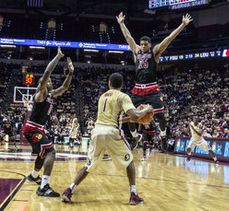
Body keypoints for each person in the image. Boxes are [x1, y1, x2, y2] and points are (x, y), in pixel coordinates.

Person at [61, 73, 153, 205]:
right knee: (130, 161)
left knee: (88, 165)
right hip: (111, 131)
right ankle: (133, 195)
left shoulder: (102, 96)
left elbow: (119, 118)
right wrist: (146, 110)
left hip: (97, 131)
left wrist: (137, 114)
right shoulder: (122, 96)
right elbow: (134, 116)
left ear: (109, 83)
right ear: (121, 85)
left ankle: (69, 190)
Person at [116, 12, 193, 150]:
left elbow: (169, 39)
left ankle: (163, 136)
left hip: (152, 88)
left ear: (150, 45)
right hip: (138, 88)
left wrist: (182, 25)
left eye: (145, 44)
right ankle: (135, 137)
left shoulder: (155, 52)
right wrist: (121, 23)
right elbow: (128, 37)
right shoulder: (136, 52)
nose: (143, 46)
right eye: (141, 44)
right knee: (130, 115)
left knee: (160, 115)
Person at [22, 47, 74, 197]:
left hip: (38, 129)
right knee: (51, 151)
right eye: (47, 81)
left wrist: (70, 73)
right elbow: (46, 73)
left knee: (43, 152)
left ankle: (34, 175)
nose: (50, 81)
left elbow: (64, 87)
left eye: (50, 80)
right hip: (32, 129)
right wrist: (58, 57)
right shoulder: (40, 94)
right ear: (42, 84)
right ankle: (43, 187)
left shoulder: (51, 94)